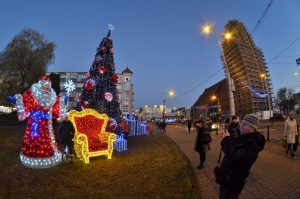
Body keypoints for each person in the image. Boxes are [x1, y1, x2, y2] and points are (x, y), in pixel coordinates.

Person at [216, 114, 265, 198]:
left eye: (245, 124)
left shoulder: (252, 146)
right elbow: (233, 149)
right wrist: (227, 137)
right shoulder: (244, 137)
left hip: (232, 183)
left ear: (252, 128)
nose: (241, 126)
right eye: (242, 123)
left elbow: (234, 158)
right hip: (228, 179)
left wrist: (226, 139)